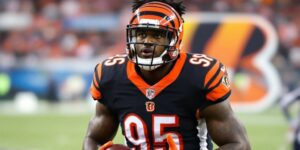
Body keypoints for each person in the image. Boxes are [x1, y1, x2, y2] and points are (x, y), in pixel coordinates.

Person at [83, 0, 251, 149]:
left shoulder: (199, 75)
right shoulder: (111, 75)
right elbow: (93, 138)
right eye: (141, 33)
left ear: (175, 39)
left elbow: (238, 144)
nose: (147, 42)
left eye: (157, 35)